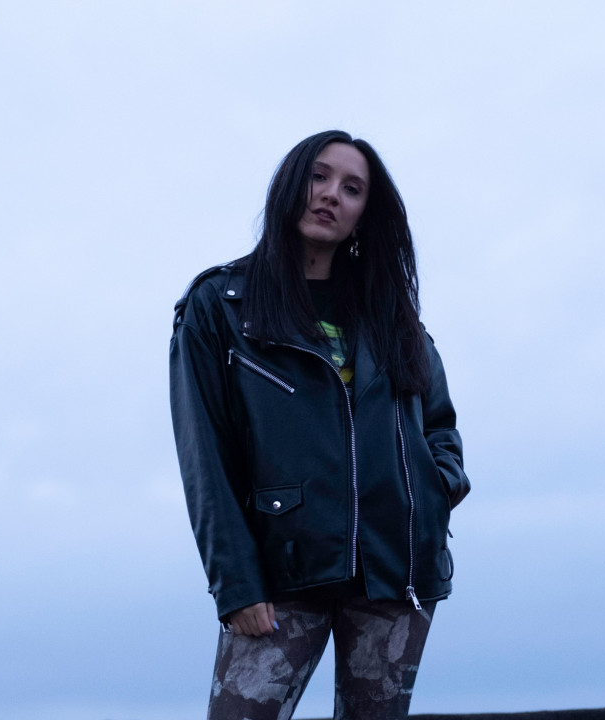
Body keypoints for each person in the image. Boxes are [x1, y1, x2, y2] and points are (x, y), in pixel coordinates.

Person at [169, 130, 469, 720]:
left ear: (363, 216)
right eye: (319, 176)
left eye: (352, 189)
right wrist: (236, 584)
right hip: (281, 572)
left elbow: (439, 424)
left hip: (394, 572)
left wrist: (435, 490)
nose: (332, 194)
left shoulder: (392, 316)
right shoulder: (221, 305)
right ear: (290, 185)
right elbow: (205, 456)